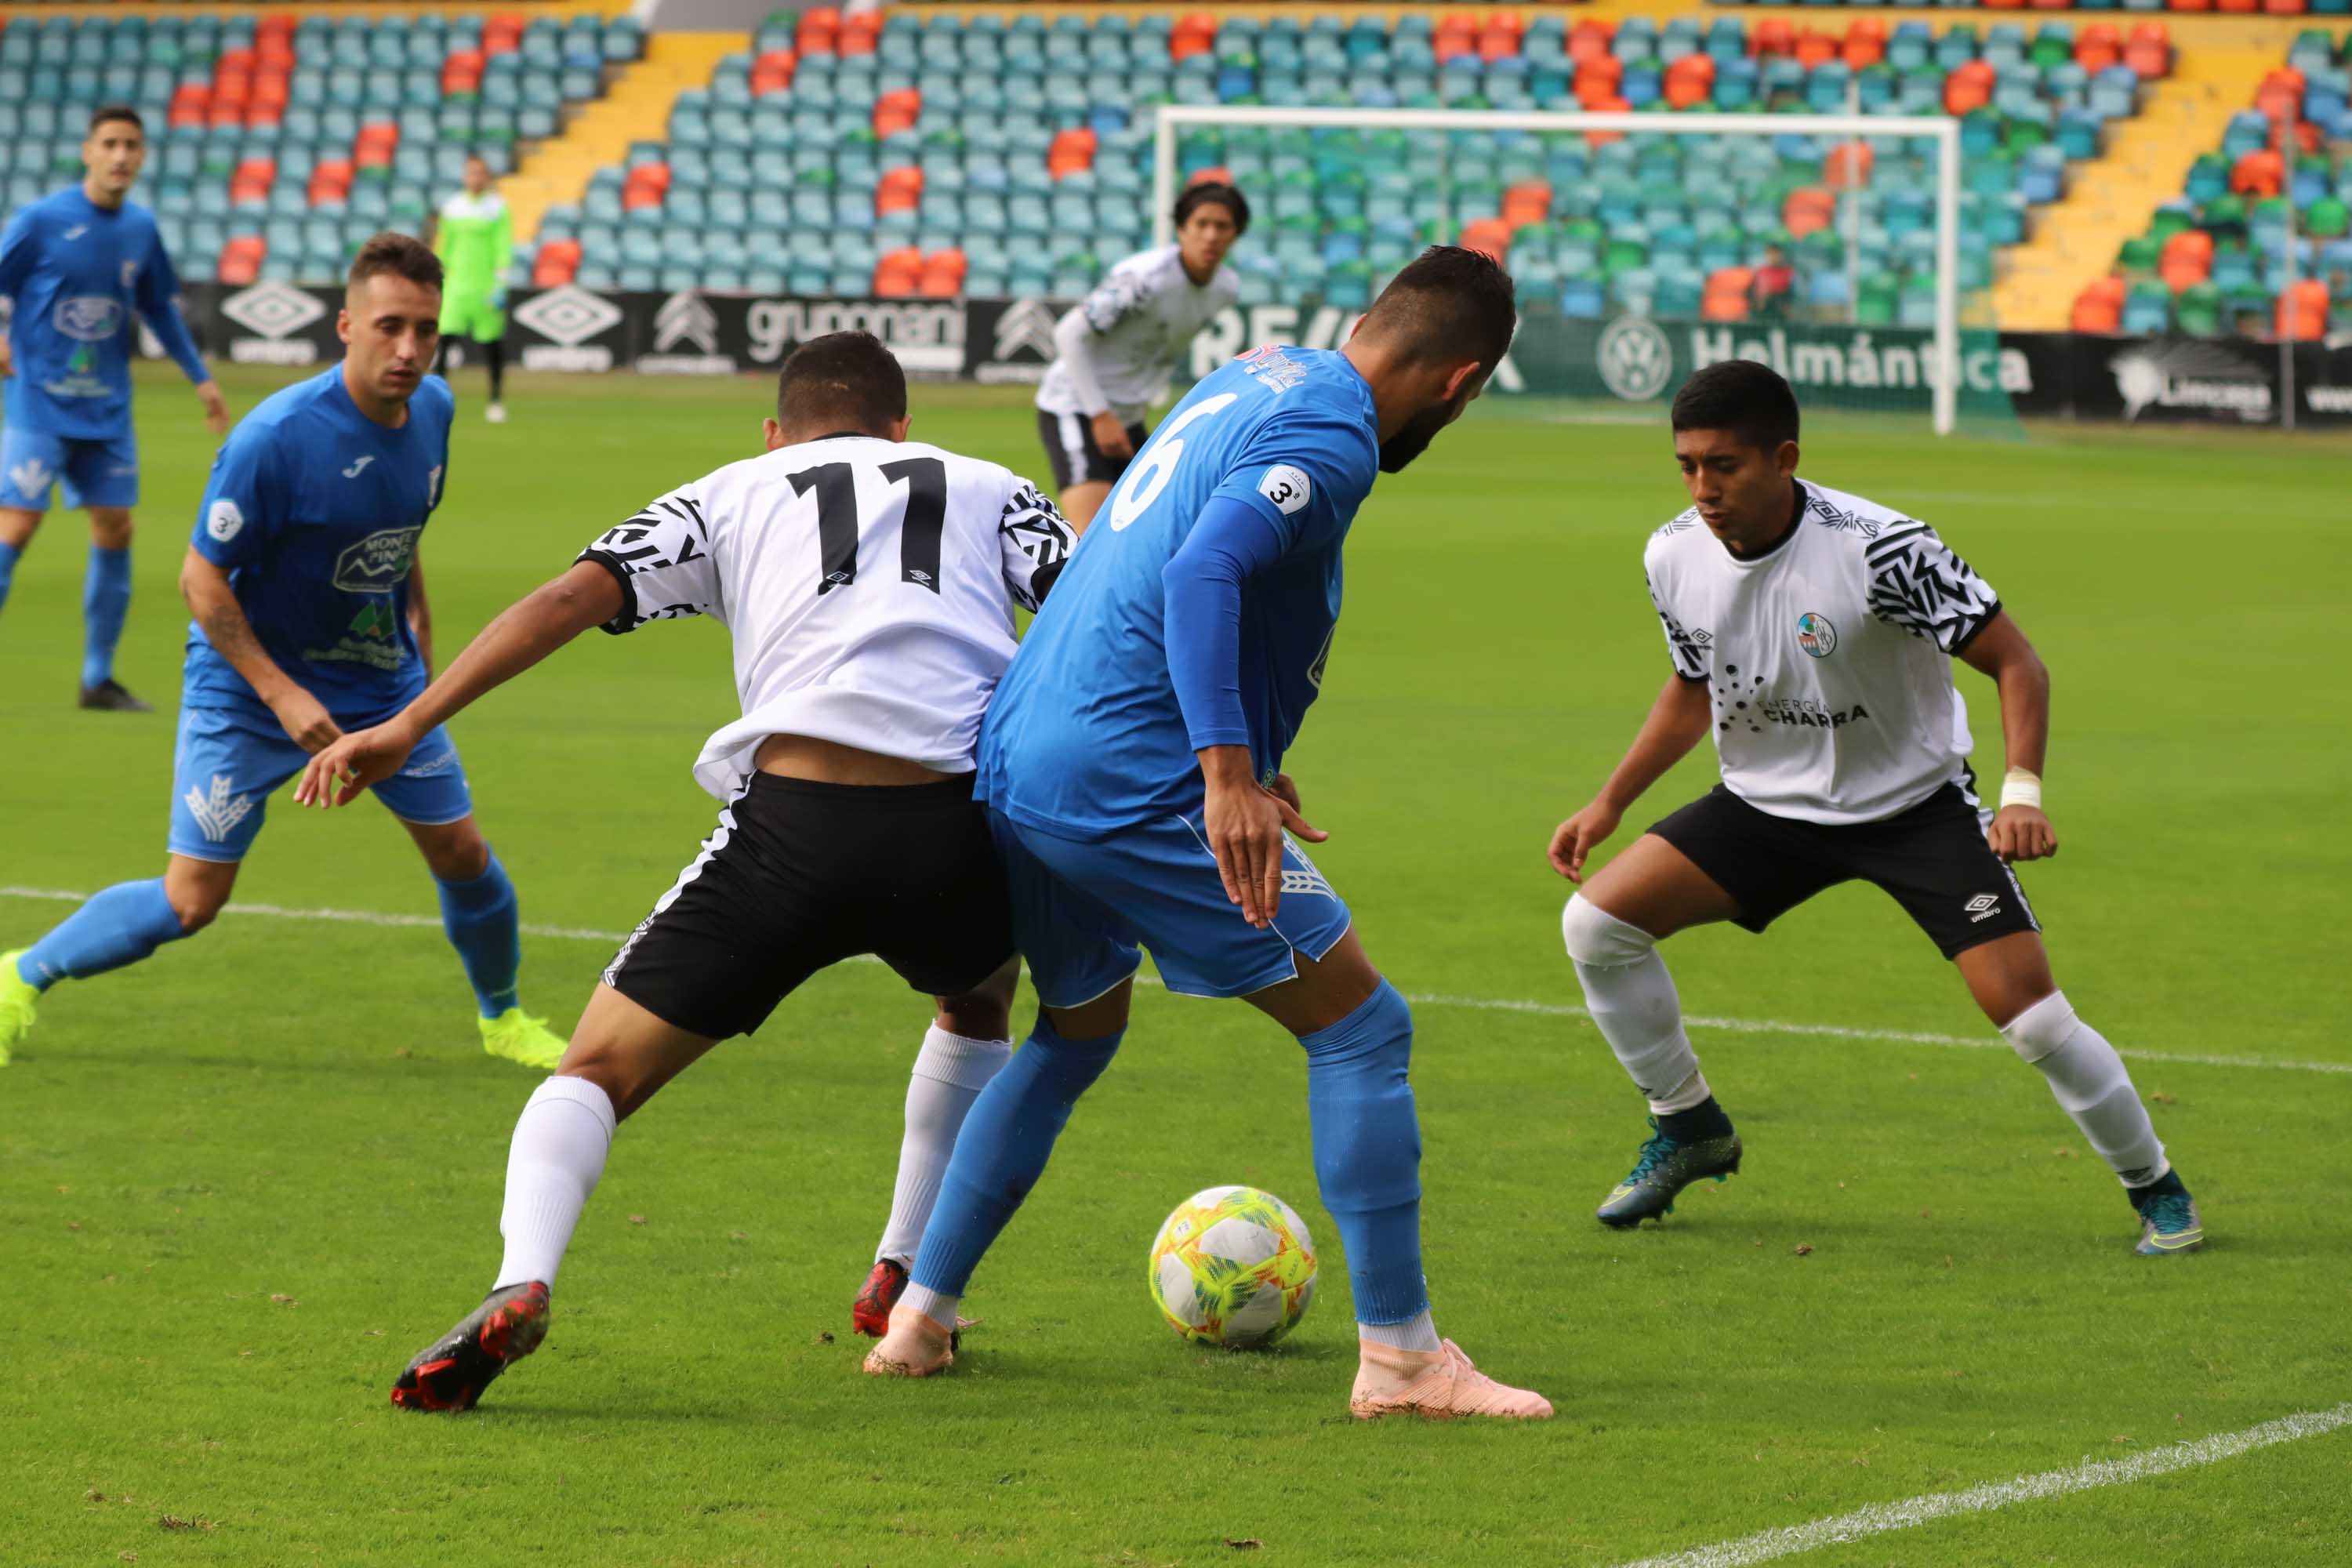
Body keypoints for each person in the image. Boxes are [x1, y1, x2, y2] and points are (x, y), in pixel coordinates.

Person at [292, 330, 1076, 1411]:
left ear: (775, 432)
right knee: (979, 1004)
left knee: (593, 1072)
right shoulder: (993, 487)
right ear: (904, 428)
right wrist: (1234, 768)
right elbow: (1107, 619)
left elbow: (565, 601)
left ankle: (523, 1278)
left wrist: (408, 723)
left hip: (794, 832)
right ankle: (904, 1274)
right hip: (958, 828)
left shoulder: (732, 490)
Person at [863, 247, 1555, 1422]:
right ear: (1461, 382)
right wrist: (1225, 773)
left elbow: (1158, 556)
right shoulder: (1336, 436)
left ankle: (919, 1320)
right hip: (1127, 774)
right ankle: (1402, 1359)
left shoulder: (1259, 371)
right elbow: (1202, 572)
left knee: (1074, 1032)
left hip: (1028, 748)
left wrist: (1252, 754)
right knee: (1362, 1028)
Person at [1546, 359, 2201, 1257]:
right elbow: (1696, 684)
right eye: (1688, 466)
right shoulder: (1671, 553)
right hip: (1765, 809)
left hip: (1914, 808)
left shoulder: (1884, 549)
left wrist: (2021, 793)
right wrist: (1610, 801)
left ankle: (2158, 1187)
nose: (1703, 488)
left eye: (1724, 465)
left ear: (1784, 458)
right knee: (1596, 925)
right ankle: (1690, 1124)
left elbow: (2017, 662)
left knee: (2032, 1014)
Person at [0, 235, 566, 1076]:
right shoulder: (274, 438)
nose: (408, 349)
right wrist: (281, 695)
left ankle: (505, 1018)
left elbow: (398, 528)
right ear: (347, 326)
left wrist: (417, 624)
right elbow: (199, 579)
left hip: (380, 684)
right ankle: (19, 976)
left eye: (425, 330)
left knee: (462, 852)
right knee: (191, 901)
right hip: (247, 691)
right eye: (389, 326)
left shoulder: (437, 409)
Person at [0, 103, 230, 710]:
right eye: (109, 144)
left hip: (106, 409)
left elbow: (159, 310)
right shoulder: (41, 221)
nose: (120, 155)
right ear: (88, 151)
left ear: (143, 156)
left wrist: (201, 379)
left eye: (131, 145)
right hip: (38, 402)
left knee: (116, 526)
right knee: (16, 524)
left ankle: (98, 679)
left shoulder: (140, 229)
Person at [1033, 181, 1247, 532]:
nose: (1211, 236)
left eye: (1222, 226)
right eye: (1201, 224)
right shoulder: (1144, 278)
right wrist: (1100, 414)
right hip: (1075, 405)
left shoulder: (1225, 289)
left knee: (1152, 532)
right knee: (1089, 537)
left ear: (1235, 234)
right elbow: (1069, 333)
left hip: (1129, 418)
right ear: (1182, 229)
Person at [431, 154, 512, 424]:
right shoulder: (452, 207)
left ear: (487, 177)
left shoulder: (498, 208)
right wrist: (437, 277)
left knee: (492, 346)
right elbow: (444, 246)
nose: (475, 178)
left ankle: (496, 399)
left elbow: (503, 246)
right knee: (443, 344)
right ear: (465, 177)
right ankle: (436, 401)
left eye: (480, 173)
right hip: (456, 287)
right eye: (471, 173)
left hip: (486, 287)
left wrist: (501, 282)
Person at [1748, 243, 1795, 320]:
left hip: (1779, 313)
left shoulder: (1789, 273)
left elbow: (1792, 295)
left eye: (1777, 254)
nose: (1774, 257)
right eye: (1771, 254)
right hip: (1761, 313)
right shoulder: (1760, 272)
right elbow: (1751, 293)